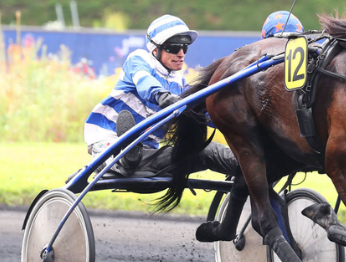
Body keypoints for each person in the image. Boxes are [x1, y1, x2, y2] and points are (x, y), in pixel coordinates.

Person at [84, 14, 238, 177]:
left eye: (184, 47)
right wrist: (163, 97)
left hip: (147, 154)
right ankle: (120, 158)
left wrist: (232, 121)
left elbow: (205, 115)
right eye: (174, 47)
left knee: (208, 151)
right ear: (155, 49)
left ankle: (253, 167)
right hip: (107, 139)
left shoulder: (179, 83)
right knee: (122, 152)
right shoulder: (139, 59)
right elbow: (145, 83)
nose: (181, 53)